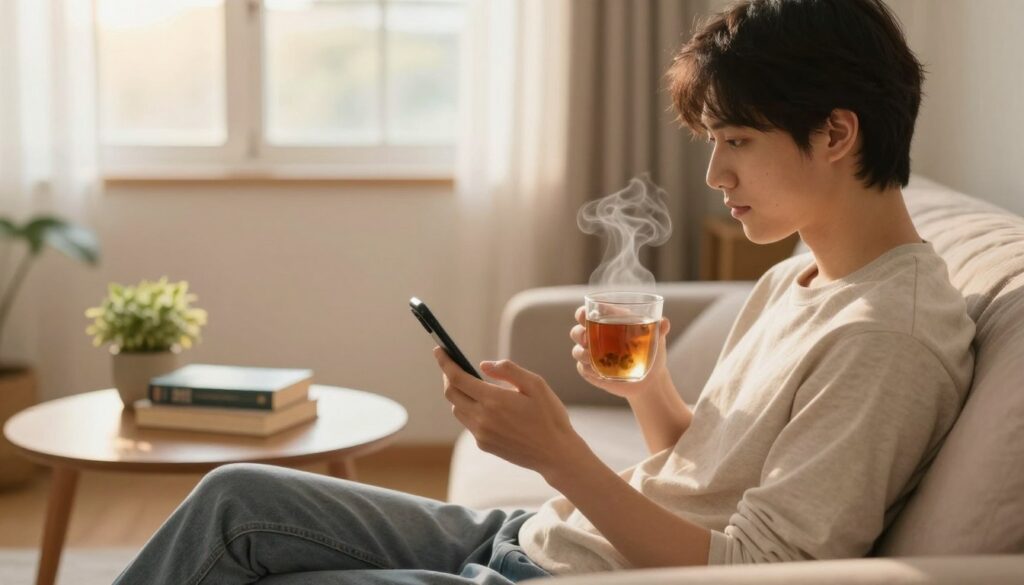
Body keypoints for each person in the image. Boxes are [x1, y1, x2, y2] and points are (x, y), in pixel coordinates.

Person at [113, 0, 975, 582]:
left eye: (738, 140)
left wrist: (559, 453)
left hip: (565, 574)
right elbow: (706, 466)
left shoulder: (886, 337)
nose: (716, 174)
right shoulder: (800, 273)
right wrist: (649, 388)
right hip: (538, 537)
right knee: (235, 495)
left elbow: (758, 570)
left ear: (836, 133)